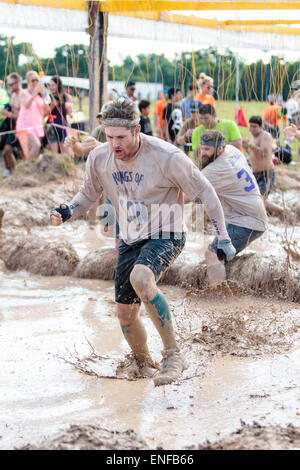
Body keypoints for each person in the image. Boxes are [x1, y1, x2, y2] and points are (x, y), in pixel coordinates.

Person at [51, 99, 236, 386]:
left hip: (167, 231)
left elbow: (205, 190)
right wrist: (67, 212)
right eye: (109, 136)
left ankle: (173, 355)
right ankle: (142, 361)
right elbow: (87, 194)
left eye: (121, 137)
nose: (114, 144)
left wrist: (223, 236)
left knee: (141, 277)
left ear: (137, 129)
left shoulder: (166, 156)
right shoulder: (99, 157)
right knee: (124, 313)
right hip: (130, 235)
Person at [196, 130, 267, 286]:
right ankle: (230, 286)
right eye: (202, 148)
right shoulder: (232, 151)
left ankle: (219, 294)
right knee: (222, 257)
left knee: (212, 254)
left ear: (220, 148)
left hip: (246, 221)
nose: (203, 153)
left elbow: (188, 196)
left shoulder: (214, 170)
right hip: (251, 215)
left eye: (207, 149)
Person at [16, 70, 50, 159]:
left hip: (37, 126)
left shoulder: (39, 96)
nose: (35, 82)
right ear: (28, 82)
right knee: (36, 146)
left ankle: (28, 169)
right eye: (33, 80)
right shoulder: (24, 93)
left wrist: (44, 95)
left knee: (33, 151)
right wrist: (35, 92)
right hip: (25, 126)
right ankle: (25, 168)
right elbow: (26, 105)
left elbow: (47, 110)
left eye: (36, 80)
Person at [242, 116, 275, 198]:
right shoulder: (252, 138)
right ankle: (279, 210)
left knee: (260, 198)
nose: (252, 129)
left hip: (265, 173)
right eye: (251, 126)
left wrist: (251, 146)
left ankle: (280, 211)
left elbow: (264, 153)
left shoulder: (265, 136)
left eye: (254, 126)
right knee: (253, 198)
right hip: (255, 173)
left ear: (260, 127)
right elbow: (253, 155)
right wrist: (246, 148)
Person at [0, 73, 22, 177]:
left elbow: (20, 116)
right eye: (8, 85)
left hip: (20, 128)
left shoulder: (22, 95)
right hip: (11, 127)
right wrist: (5, 117)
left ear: (17, 83)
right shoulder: (13, 95)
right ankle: (12, 172)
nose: (9, 87)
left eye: (11, 84)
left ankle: (15, 173)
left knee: (8, 151)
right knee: (6, 152)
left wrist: (7, 114)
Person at [47, 75, 73, 154]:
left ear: (58, 85)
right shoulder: (48, 98)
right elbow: (45, 113)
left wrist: (69, 107)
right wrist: (52, 105)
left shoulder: (66, 97)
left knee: (66, 151)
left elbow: (70, 113)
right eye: (50, 85)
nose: (51, 87)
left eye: (53, 85)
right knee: (54, 153)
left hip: (63, 126)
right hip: (52, 126)